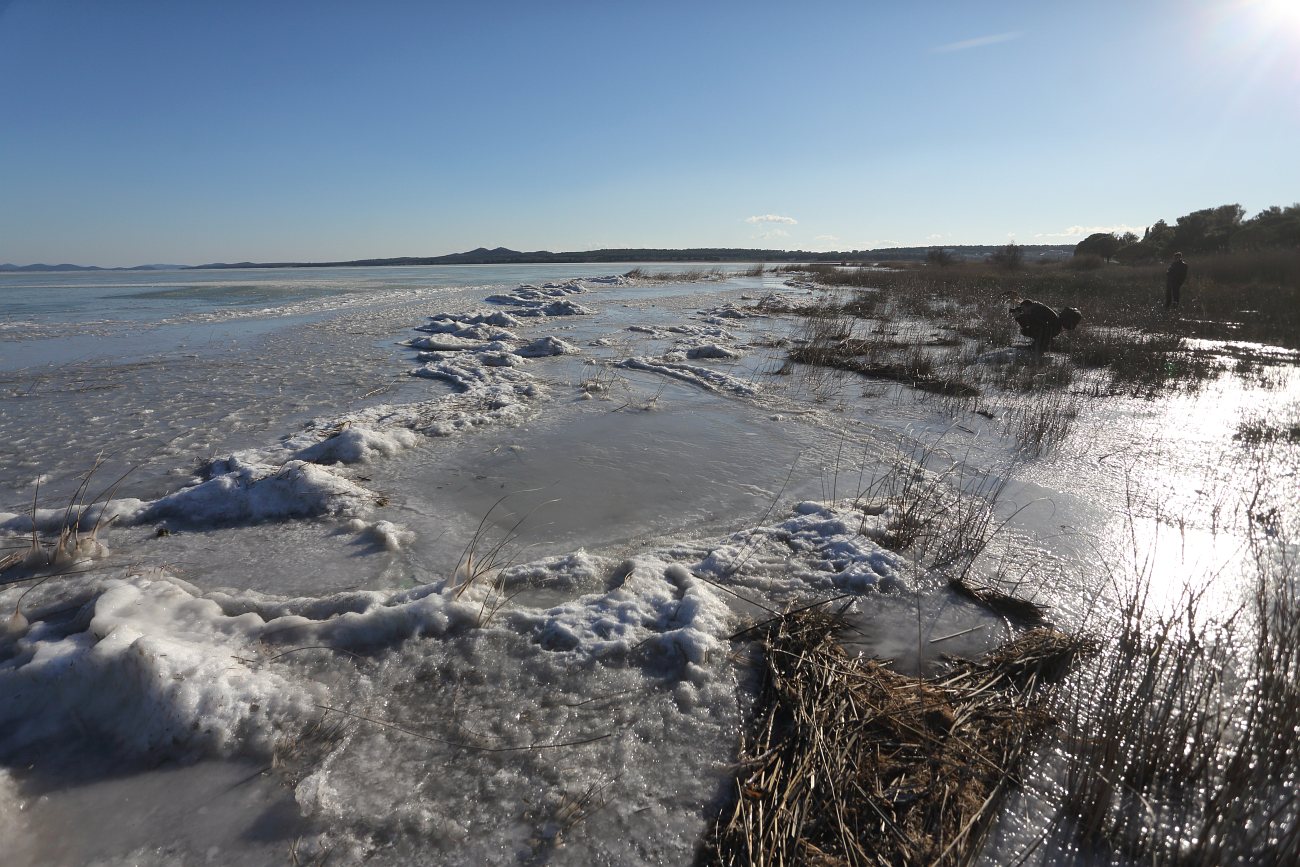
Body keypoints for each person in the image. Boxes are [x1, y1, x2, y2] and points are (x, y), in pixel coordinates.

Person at [1003, 293, 1082, 353]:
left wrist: (1017, 317)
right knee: (1030, 330)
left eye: (1024, 308)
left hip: (1049, 330)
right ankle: (1041, 345)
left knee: (1028, 330)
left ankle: (1037, 347)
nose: (1023, 310)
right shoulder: (1037, 308)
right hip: (1050, 329)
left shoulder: (1036, 311)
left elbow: (1025, 324)